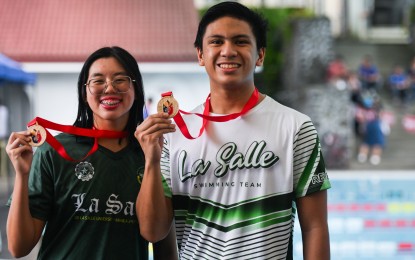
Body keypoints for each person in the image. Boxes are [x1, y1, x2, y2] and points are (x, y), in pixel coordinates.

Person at [135, 2, 331, 259]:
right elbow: (152, 231)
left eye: (240, 41)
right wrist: (151, 159)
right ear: (200, 55)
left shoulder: (295, 127)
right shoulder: (174, 133)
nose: (228, 51)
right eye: (216, 42)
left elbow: (315, 226)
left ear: (260, 55)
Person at [5, 46, 177, 259]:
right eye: (97, 80)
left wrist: (152, 160)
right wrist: (22, 175)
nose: (109, 88)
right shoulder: (53, 151)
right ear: (84, 93)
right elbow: (18, 247)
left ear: (136, 89)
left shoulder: (156, 151)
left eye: (120, 79)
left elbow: (160, 238)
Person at [357, 95, 387, 165]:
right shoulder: (366, 109)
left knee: (374, 142)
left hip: (373, 125)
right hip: (371, 126)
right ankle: (365, 155)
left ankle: (372, 156)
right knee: (370, 142)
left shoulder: (375, 109)